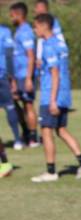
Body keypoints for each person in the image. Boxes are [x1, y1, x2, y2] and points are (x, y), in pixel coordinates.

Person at [30, 13, 81, 183]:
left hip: (52, 95)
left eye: (36, 26)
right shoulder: (61, 44)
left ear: (43, 26)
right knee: (61, 130)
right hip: (64, 93)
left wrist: (53, 100)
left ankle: (51, 172)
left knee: (46, 131)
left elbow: (55, 74)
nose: (35, 29)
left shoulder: (49, 46)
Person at [9, 2, 38, 148]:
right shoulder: (19, 31)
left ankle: (33, 137)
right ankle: (26, 131)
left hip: (24, 75)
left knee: (28, 104)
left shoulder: (26, 31)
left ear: (19, 14)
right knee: (15, 103)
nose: (11, 17)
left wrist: (28, 78)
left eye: (12, 15)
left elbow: (31, 55)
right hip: (17, 75)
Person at [1, 21, 23, 150]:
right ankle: (17, 140)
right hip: (2, 74)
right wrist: (12, 77)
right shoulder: (5, 31)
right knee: (9, 106)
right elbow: (9, 56)